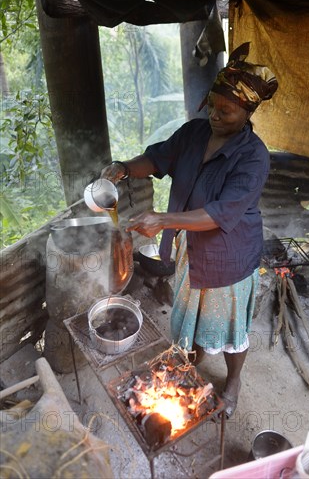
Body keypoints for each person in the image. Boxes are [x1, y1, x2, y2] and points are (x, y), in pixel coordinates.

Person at [101, 42, 278, 417]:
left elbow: (219, 214)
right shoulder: (195, 133)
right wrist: (124, 167)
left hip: (227, 254)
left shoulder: (253, 156)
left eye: (226, 111)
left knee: (229, 329)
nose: (215, 114)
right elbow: (158, 157)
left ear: (247, 112)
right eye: (212, 104)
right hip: (189, 247)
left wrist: (162, 219)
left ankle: (233, 381)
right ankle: (187, 364)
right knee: (189, 316)